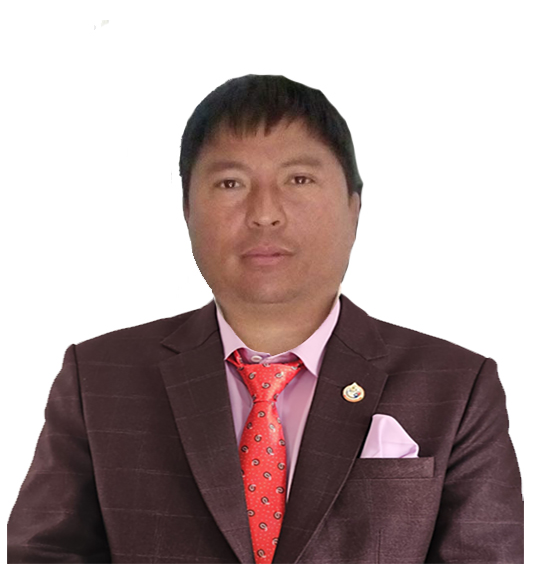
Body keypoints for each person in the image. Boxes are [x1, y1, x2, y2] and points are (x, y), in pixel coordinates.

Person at [7, 74, 523, 564]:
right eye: (230, 182)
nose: (264, 213)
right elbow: (47, 554)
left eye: (299, 179)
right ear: (186, 209)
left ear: (354, 207)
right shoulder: (99, 378)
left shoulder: (457, 387)